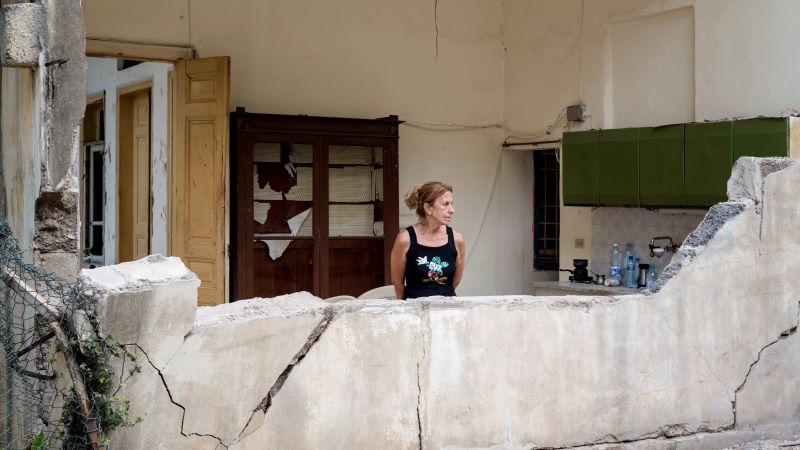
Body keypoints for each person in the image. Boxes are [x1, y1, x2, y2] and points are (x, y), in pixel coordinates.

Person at [390, 181, 465, 300]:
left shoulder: (457, 239)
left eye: (451, 204)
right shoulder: (405, 239)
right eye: (446, 204)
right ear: (428, 208)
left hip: (447, 310)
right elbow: (397, 282)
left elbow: (455, 281)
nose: (452, 210)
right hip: (414, 311)